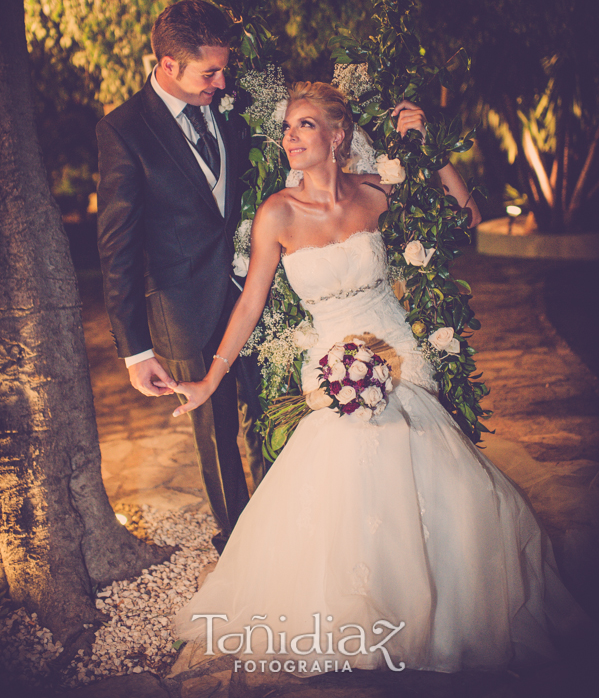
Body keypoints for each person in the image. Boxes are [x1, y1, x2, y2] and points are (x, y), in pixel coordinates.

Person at [171, 82, 586, 673]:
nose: (290, 136)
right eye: (288, 127)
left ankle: (441, 615)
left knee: (432, 471)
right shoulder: (277, 213)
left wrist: (431, 152)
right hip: (333, 365)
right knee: (349, 465)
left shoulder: (374, 193)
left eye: (306, 125)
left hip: (399, 355)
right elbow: (249, 306)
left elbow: (463, 218)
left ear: (337, 137)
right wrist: (209, 382)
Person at [96, 0, 264, 554]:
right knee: (215, 433)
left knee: (269, 410)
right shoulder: (124, 130)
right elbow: (116, 245)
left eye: (223, 69)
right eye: (209, 72)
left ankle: (284, 525)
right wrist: (135, 349)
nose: (220, 81)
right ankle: (241, 543)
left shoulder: (231, 109)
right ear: (167, 64)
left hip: (252, 292)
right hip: (181, 308)